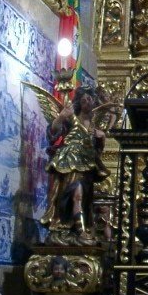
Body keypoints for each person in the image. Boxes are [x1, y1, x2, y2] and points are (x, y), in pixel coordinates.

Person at [41, 86, 110, 244]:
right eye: (84, 100)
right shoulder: (71, 119)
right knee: (74, 194)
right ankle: (79, 230)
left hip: (87, 167)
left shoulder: (93, 126)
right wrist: (61, 116)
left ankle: (78, 228)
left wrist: (102, 138)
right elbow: (53, 132)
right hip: (69, 163)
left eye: (90, 99)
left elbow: (97, 151)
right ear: (79, 102)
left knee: (84, 198)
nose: (87, 102)